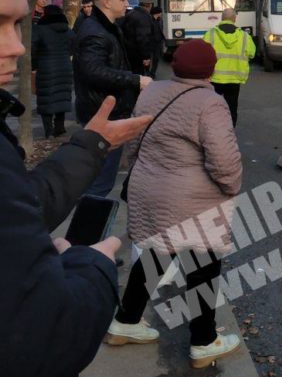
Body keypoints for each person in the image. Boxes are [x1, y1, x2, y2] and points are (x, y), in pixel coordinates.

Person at [0, 0, 153, 377]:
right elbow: (47, 337)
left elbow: (23, 203)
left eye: (16, 24)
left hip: (101, 122)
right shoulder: (92, 31)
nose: (15, 47)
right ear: (105, 2)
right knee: (99, 192)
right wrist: (92, 264)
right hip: (100, 108)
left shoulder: (103, 25)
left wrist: (91, 145)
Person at [107, 39, 242, 368]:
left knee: (156, 253)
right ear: (210, 69)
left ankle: (125, 321)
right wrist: (232, 186)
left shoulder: (151, 92)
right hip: (193, 198)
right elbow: (223, 162)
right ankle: (204, 341)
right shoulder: (210, 103)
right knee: (203, 267)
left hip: (149, 186)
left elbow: (135, 139)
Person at [74, 0, 152, 197]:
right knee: (100, 183)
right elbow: (93, 71)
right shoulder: (96, 32)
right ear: (107, 3)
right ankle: (87, 229)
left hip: (107, 111)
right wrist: (135, 80)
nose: (127, 4)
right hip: (103, 115)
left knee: (101, 180)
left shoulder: (107, 28)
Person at [202, 8, 256, 126]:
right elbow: (252, 53)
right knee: (231, 108)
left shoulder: (210, 34)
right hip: (234, 79)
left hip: (214, 78)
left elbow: (202, 54)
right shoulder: (245, 36)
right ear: (234, 19)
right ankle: (229, 132)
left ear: (222, 18)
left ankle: (212, 129)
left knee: (212, 107)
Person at [32, 3, 74, 138]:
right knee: (61, 97)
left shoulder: (39, 29)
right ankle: (60, 127)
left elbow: (33, 49)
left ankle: (48, 130)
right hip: (65, 66)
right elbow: (75, 43)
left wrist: (34, 65)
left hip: (46, 67)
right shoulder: (67, 30)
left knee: (46, 98)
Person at [119, 0, 157, 76]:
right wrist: (146, 57)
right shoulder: (144, 17)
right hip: (138, 55)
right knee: (140, 76)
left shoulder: (131, 14)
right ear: (149, 5)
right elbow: (143, 38)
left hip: (129, 52)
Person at [150, 4, 166, 77]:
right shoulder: (149, 20)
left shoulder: (160, 20)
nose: (161, 13)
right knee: (149, 58)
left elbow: (161, 30)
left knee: (156, 59)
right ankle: (147, 72)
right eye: (160, 12)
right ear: (157, 12)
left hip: (159, 42)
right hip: (151, 42)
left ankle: (153, 73)